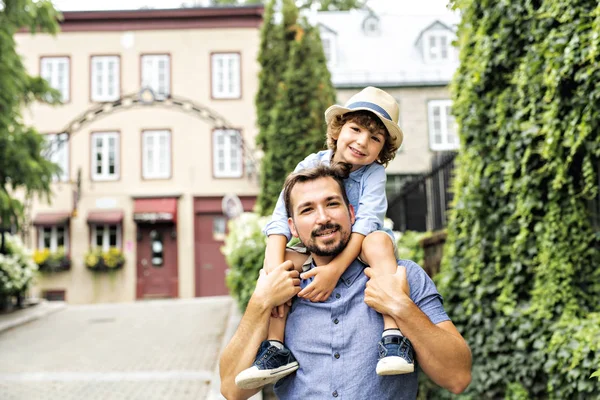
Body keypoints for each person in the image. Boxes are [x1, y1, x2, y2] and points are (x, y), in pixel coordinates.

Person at [219, 164, 472, 400]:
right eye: (307, 209)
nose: (323, 218)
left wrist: (400, 306)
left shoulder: (401, 276)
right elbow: (232, 390)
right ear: (292, 228)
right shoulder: (281, 289)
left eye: (332, 204)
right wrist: (260, 301)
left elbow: (457, 377)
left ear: (352, 213)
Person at [235, 86, 414, 390]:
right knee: (282, 267)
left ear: (382, 150)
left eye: (375, 138)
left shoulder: (373, 174)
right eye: (355, 129)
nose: (362, 142)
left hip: (359, 245)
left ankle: (392, 335)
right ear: (338, 129)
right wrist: (272, 277)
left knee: (379, 241)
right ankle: (276, 346)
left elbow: (366, 224)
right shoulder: (310, 165)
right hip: (318, 246)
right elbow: (280, 219)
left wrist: (334, 271)